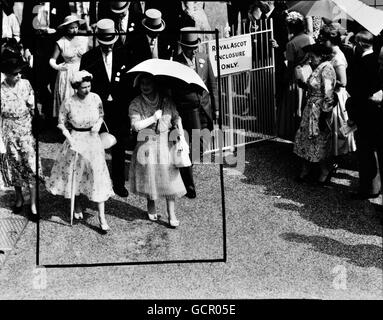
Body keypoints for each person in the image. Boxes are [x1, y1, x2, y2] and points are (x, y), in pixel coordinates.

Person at [46, 71, 114, 233]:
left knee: (97, 176)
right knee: (76, 174)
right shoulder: (68, 102)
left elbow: (101, 114)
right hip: (75, 139)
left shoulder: (96, 98)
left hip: (92, 140)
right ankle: (76, 203)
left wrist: (98, 124)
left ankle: (102, 217)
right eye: (83, 87)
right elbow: (61, 123)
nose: (87, 90)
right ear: (76, 87)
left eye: (89, 86)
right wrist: (69, 137)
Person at [80, 18, 131, 198]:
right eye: (104, 43)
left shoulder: (124, 54)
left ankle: (118, 183)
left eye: (110, 43)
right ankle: (98, 182)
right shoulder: (88, 58)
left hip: (120, 108)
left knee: (119, 146)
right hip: (98, 109)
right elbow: (83, 87)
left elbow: (129, 84)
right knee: (97, 146)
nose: (108, 47)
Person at [129, 73, 187, 228]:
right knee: (151, 177)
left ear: (154, 84)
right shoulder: (136, 103)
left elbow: (176, 117)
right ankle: (151, 205)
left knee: (170, 180)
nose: (145, 86)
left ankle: (171, 213)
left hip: (165, 143)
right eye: (142, 84)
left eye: (148, 83)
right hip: (146, 144)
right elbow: (135, 126)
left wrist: (180, 133)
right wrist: (153, 118)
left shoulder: (166, 100)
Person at [173, 27, 218, 199]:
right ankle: (189, 185)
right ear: (183, 47)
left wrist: (217, 109)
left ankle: (186, 165)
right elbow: (174, 90)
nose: (193, 50)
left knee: (202, 143)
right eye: (190, 47)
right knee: (191, 144)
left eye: (195, 46)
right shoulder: (176, 62)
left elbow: (213, 84)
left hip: (205, 108)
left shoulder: (204, 58)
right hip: (188, 110)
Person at [0, 55, 43, 221]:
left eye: (20, 72)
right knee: (14, 166)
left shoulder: (26, 84)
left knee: (31, 167)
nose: (19, 76)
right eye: (15, 73)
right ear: (6, 74)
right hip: (9, 133)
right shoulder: (1, 90)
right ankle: (19, 198)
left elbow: (32, 107)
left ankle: (33, 205)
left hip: (26, 132)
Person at [346, 31, 383, 200]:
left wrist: (353, 113)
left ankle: (368, 188)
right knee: (374, 152)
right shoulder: (376, 59)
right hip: (374, 114)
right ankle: (375, 187)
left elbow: (357, 92)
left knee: (366, 153)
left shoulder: (362, 63)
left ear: (360, 44)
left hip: (365, 113)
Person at [294, 43, 337, 184]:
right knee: (306, 138)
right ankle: (306, 169)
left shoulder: (327, 69)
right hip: (311, 108)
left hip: (319, 110)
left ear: (321, 56)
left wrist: (324, 114)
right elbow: (313, 85)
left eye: (313, 57)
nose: (311, 60)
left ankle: (324, 170)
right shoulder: (319, 67)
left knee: (318, 140)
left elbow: (329, 94)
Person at [282, 11, 315, 140]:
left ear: (291, 27)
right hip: (308, 71)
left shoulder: (291, 43)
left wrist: (285, 80)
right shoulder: (309, 38)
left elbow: (290, 66)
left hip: (296, 74)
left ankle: (296, 132)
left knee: (295, 104)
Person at [49, 15, 88, 120]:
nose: (74, 30)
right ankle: (67, 123)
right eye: (71, 28)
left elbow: (89, 56)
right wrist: (58, 67)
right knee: (68, 97)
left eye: (76, 27)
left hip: (80, 70)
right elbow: (52, 60)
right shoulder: (61, 42)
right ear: (66, 28)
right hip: (67, 73)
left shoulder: (83, 40)